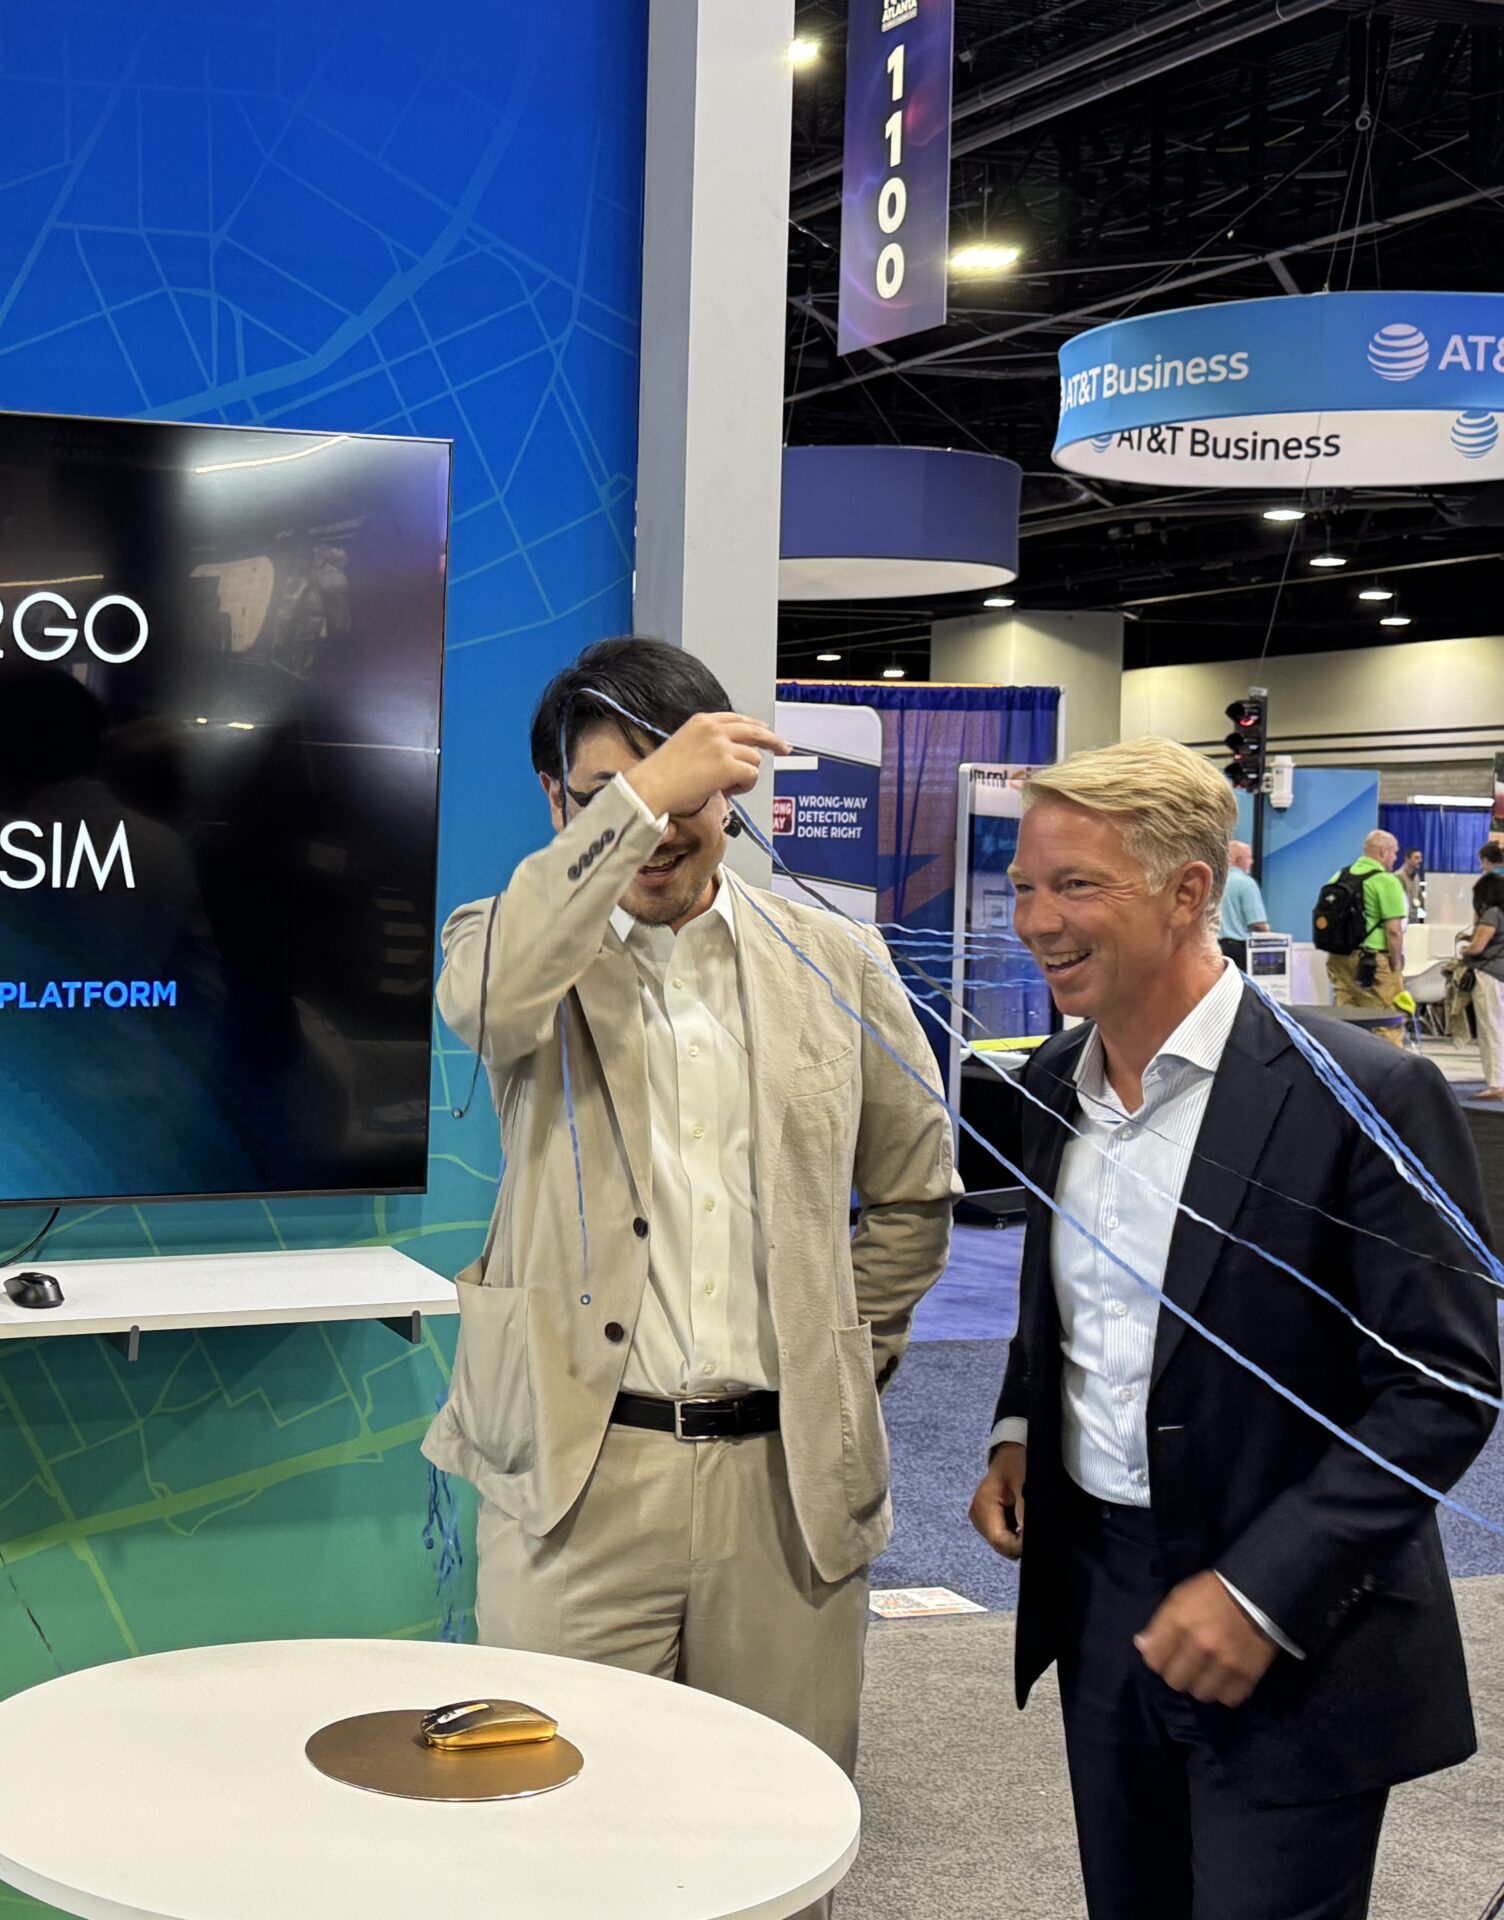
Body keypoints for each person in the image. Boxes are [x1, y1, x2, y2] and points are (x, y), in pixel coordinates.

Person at [967, 737, 1498, 1919]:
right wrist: (1020, 1425)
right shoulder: (1055, 1085)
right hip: (1100, 1595)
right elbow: (1068, 1300)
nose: (1036, 921)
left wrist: (1260, 1590)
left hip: (1296, 1622)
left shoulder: (1363, 1095)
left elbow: (1444, 1384)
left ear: (1188, 891)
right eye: (1025, 887)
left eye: (1075, 885)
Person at [426, 635, 956, 1789]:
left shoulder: (834, 959)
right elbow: (495, 1000)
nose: (657, 831)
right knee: (551, 1826)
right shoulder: (507, 941)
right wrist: (636, 801)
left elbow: (914, 1188)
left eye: (683, 796)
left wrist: (840, 1358)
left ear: (731, 791)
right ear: (557, 802)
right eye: (612, 797)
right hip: (578, 1479)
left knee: (774, 1817)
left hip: (784, 1483)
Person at [1324, 829, 1408, 1044]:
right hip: (1372, 963)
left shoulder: (1339, 876)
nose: (1395, 858)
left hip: (1338, 959)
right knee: (1384, 1023)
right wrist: (1397, 966)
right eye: (1394, 853)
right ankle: (1389, 1067)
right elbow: (1394, 930)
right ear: (1383, 851)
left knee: (1346, 1023)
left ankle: (1346, 1064)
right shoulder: (1386, 881)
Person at [1466, 849, 1504, 1101]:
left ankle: (1497, 1084)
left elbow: (1478, 947)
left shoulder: (1492, 914)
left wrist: (1465, 950)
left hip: (1490, 975)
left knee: (1491, 1029)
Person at [1216, 839, 1267, 972]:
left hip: (1212, 947)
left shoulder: (1214, 881)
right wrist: (1267, 932)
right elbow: (1256, 923)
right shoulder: (1246, 884)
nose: (1252, 862)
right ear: (1239, 860)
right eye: (1249, 858)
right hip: (1237, 950)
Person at [1399, 847, 1428, 923]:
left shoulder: (1416, 877)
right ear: (1407, 859)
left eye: (1420, 857)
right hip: (1402, 920)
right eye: (1416, 858)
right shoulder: (1398, 877)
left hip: (1414, 920)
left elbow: (1420, 897)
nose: (1420, 860)